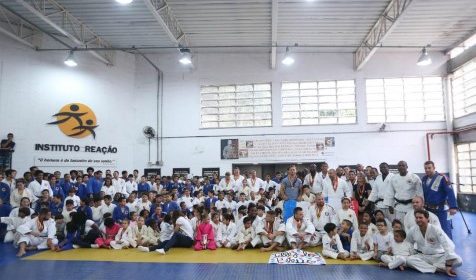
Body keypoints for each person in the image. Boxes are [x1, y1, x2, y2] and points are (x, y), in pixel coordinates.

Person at [406, 209, 462, 276]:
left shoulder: (436, 229)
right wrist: (412, 253)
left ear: (427, 219)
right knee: (409, 260)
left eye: (420, 217)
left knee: (458, 261)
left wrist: (448, 264)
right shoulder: (413, 230)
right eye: (416, 218)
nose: (418, 220)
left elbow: (446, 244)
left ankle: (429, 267)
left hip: (439, 256)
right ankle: (437, 269)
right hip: (424, 256)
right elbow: (408, 242)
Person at [421, 161, 457, 239]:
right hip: (429, 209)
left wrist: (453, 207)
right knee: (432, 229)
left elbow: (450, 192)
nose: (427, 170)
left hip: (441, 209)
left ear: (434, 168)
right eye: (425, 168)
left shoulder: (442, 178)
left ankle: (449, 250)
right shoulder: (424, 179)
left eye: (429, 168)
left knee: (445, 229)